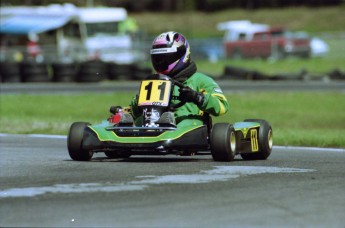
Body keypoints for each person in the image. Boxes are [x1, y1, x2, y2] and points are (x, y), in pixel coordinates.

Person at [129, 31, 229, 127]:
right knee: (137, 122)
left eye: (165, 58)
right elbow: (135, 113)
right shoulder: (154, 82)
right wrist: (139, 101)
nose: (160, 63)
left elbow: (222, 106)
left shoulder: (200, 80)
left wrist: (197, 97)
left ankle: (167, 127)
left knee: (185, 123)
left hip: (189, 126)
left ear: (182, 55)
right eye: (157, 59)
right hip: (156, 123)